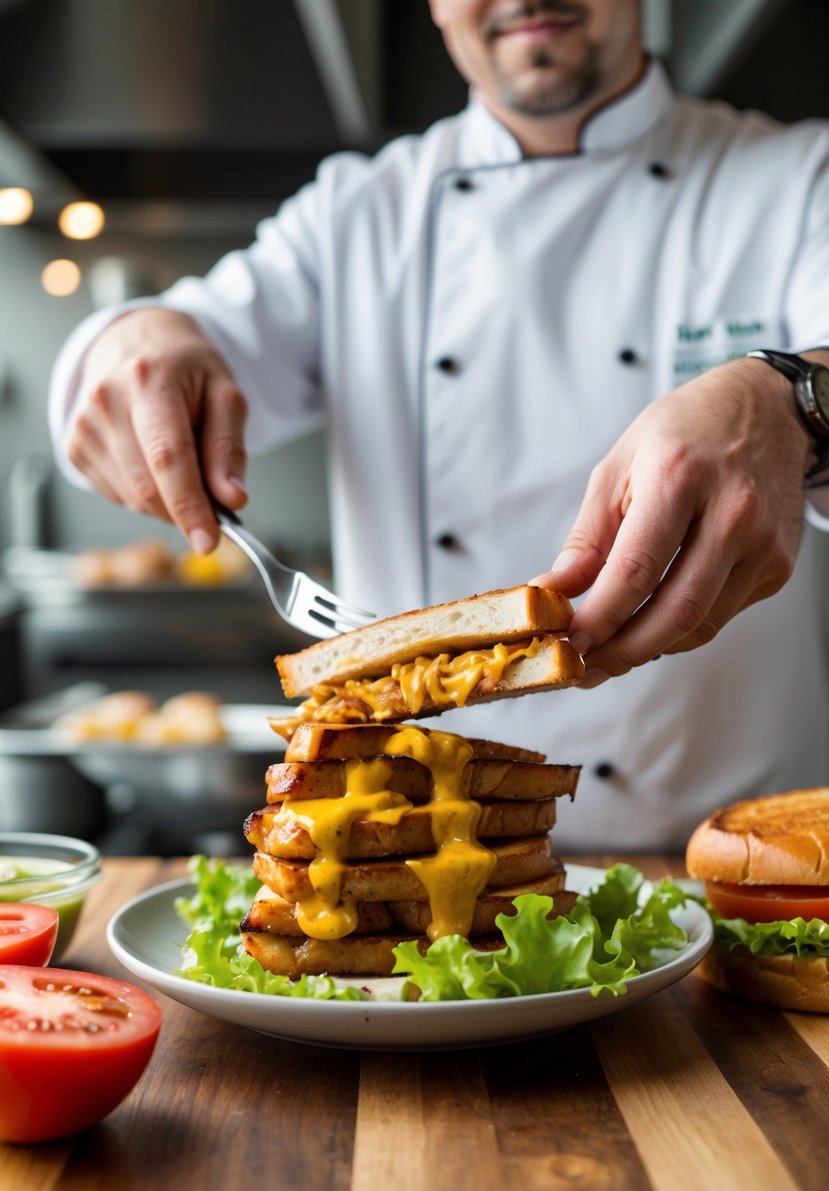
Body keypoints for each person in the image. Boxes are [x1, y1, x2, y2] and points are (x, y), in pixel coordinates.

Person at [48, 0, 829, 849]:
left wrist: (788, 399)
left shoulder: (793, 180)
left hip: (733, 868)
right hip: (419, 866)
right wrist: (130, 340)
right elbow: (167, 346)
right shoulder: (356, 214)